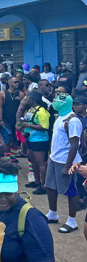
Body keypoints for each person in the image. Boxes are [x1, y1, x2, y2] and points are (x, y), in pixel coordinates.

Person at [44, 93, 83, 233]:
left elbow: (74, 145)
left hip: (66, 160)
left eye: (57, 101)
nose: (54, 102)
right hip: (55, 158)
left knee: (70, 189)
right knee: (50, 186)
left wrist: (67, 166)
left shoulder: (73, 121)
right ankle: (52, 213)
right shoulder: (60, 117)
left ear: (65, 103)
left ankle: (72, 221)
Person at [17, 90, 50, 195]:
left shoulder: (42, 111)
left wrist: (28, 126)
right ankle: (37, 182)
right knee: (33, 161)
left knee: (41, 163)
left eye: (27, 98)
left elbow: (45, 127)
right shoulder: (31, 110)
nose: (25, 99)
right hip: (30, 139)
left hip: (40, 140)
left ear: (32, 99)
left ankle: (44, 186)